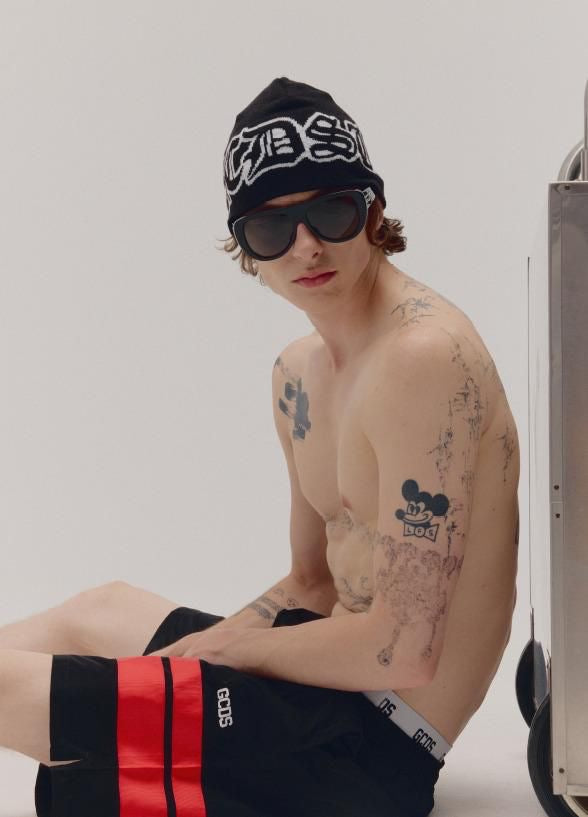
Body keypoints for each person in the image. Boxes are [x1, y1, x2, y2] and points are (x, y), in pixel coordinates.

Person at [0, 77, 520, 817]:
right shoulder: (297, 376)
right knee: (97, 610)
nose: (306, 245)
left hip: (371, 746)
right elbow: (311, 583)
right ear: (244, 247)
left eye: (330, 212)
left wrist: (228, 651)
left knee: (20, 704)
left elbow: (406, 648)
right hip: (311, 688)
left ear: (373, 212)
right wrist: (212, 645)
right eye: (272, 228)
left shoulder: (422, 357)